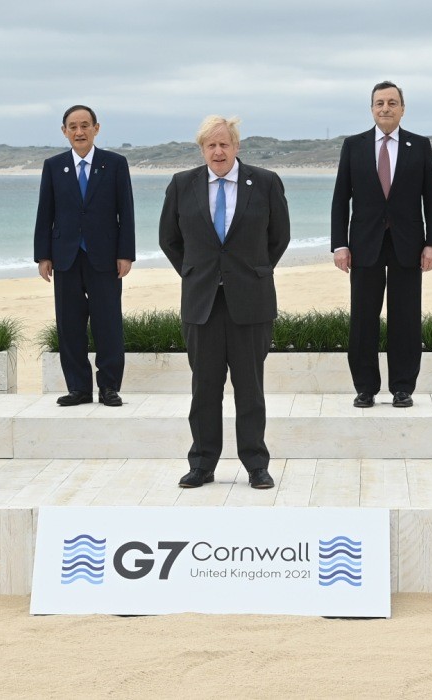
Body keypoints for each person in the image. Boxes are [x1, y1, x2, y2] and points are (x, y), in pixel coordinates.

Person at [159, 116, 290, 490]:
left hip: (251, 302)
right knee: (204, 390)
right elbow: (169, 240)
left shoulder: (265, 182)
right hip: (202, 303)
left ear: (236, 146)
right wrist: (196, 273)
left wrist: (252, 272)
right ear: (202, 149)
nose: (218, 152)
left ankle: (256, 465)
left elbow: (279, 237)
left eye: (224, 144)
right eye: (211, 145)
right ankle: (202, 464)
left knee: (250, 390)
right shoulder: (182, 184)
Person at [330, 81, 432, 409]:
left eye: (392, 102)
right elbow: (341, 198)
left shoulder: (419, 145)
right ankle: (365, 388)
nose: (385, 108)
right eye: (379, 103)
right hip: (364, 244)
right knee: (363, 319)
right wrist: (339, 244)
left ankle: (402, 387)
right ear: (371, 109)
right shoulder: (353, 146)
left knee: (405, 318)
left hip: (408, 244)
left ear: (402, 109)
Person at [34, 105, 135, 408]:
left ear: (96, 128)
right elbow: (45, 213)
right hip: (65, 257)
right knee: (69, 325)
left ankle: (109, 387)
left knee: (108, 323)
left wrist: (126, 254)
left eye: (85, 125)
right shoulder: (54, 166)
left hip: (104, 257)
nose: (79, 132)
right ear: (64, 131)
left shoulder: (114, 164)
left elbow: (126, 211)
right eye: (73, 127)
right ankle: (78, 388)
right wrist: (43, 255)